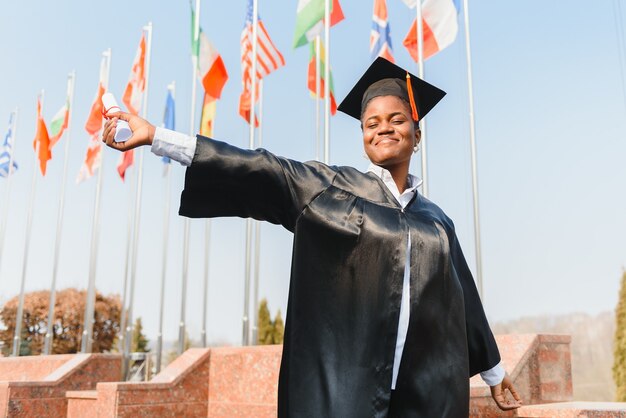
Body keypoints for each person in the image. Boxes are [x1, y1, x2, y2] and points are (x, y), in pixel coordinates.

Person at [102, 57, 522, 417]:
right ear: (363, 140)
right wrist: (158, 137)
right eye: (371, 124)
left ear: (417, 133)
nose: (383, 129)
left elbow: (463, 297)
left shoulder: (437, 221)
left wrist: (495, 373)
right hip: (345, 390)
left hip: (424, 392)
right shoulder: (330, 189)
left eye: (397, 120)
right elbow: (261, 167)